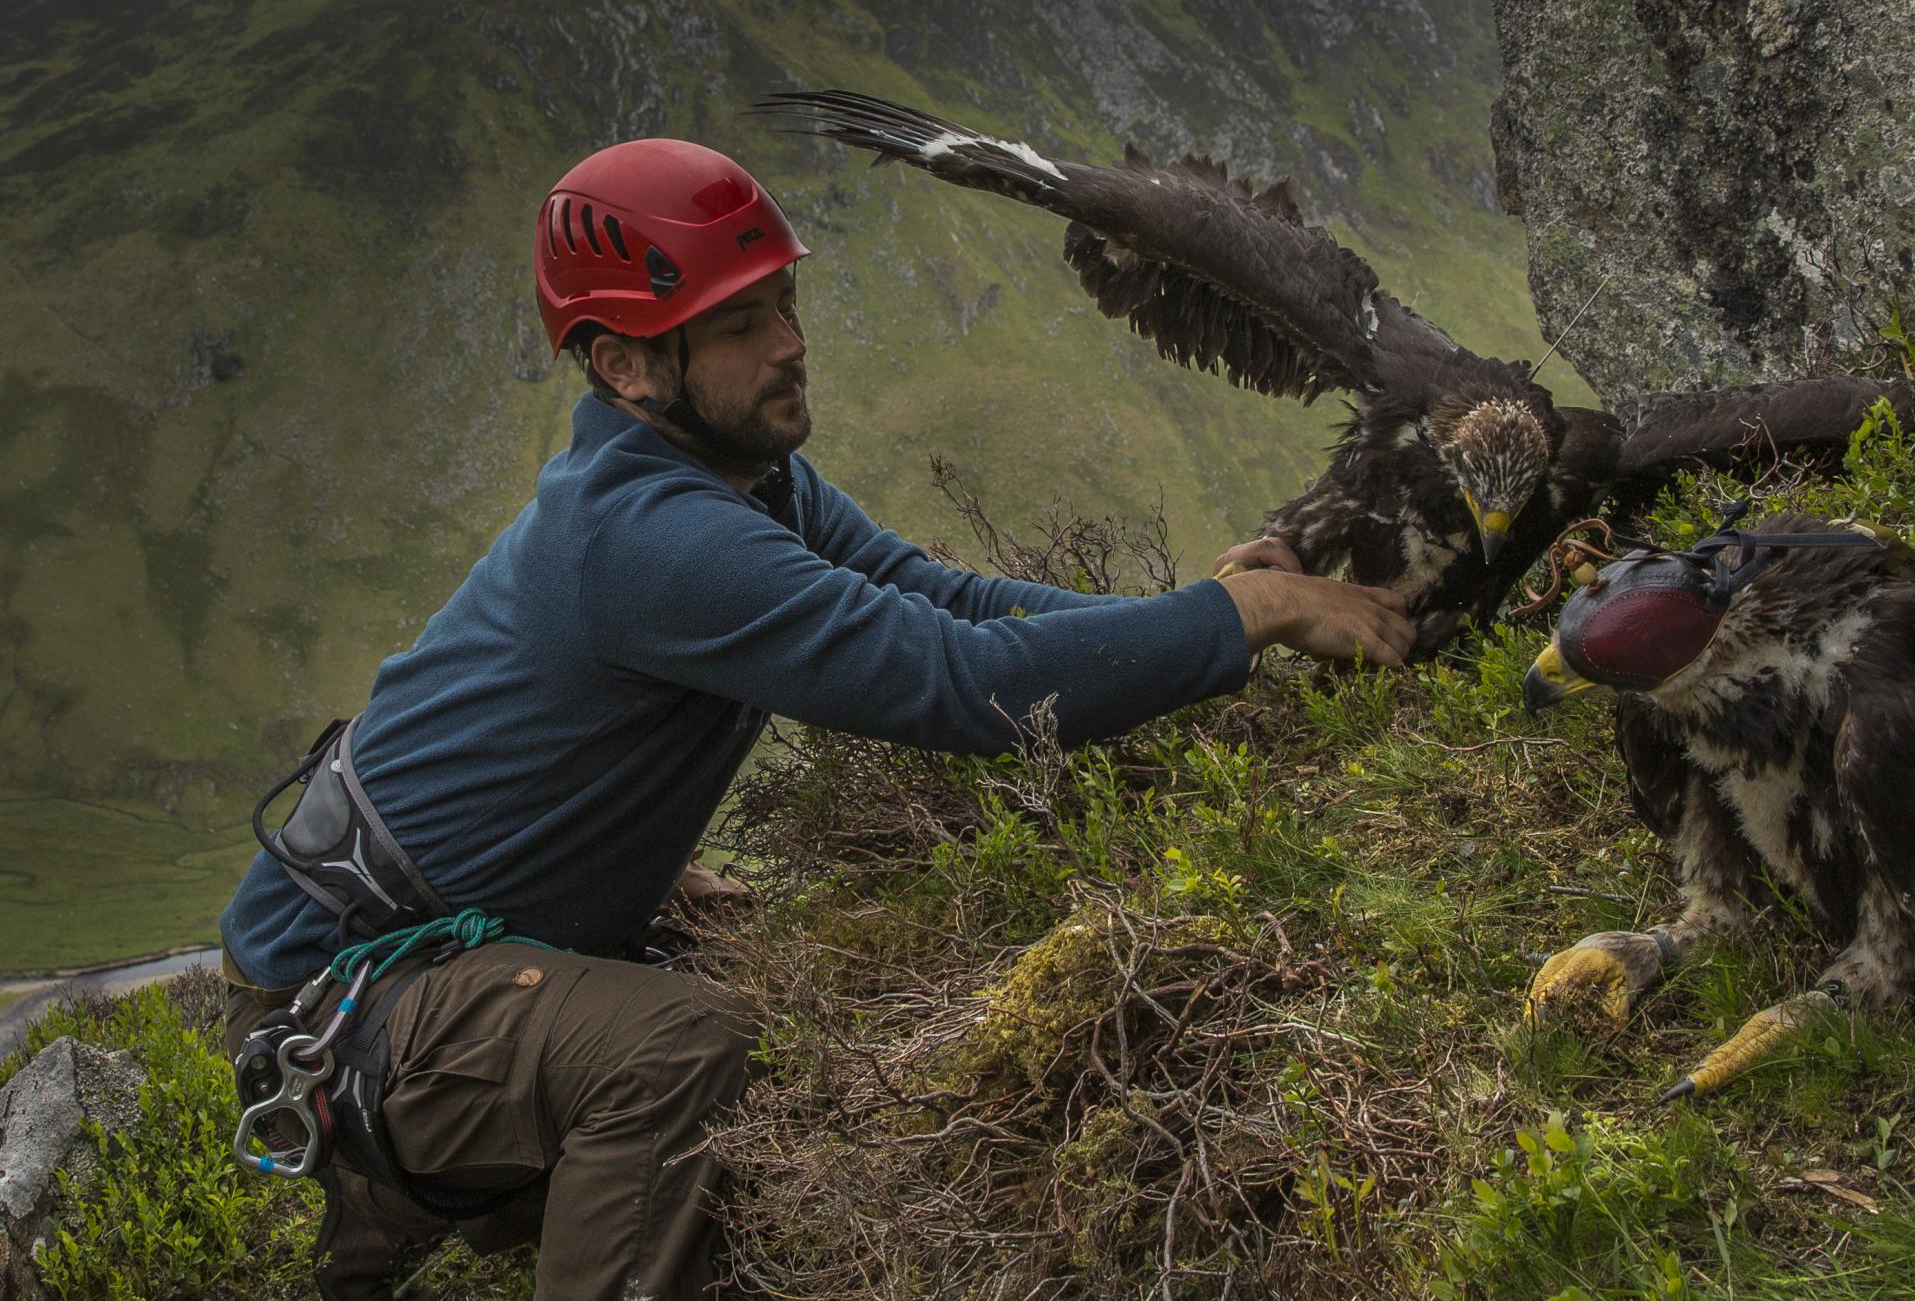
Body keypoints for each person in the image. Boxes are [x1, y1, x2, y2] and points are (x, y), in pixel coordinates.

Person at [216, 137, 1412, 1301]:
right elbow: (962, 684)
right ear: (624, 366)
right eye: (741, 325)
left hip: (436, 958)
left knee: (733, 1005)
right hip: (344, 1005)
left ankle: (461, 1199)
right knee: (677, 1046)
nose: (789, 346)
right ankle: (423, 1192)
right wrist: (1242, 614)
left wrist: (1193, 608)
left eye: (784, 303)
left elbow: (951, 601)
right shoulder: (656, 541)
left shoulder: (741, 479)